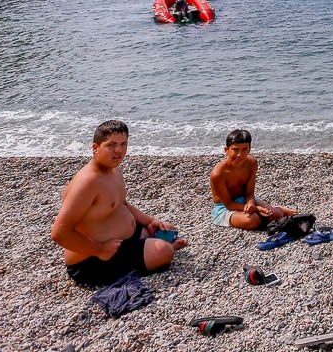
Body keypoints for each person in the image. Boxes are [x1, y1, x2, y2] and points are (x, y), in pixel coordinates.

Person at [51, 120, 188, 287]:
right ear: (96, 148)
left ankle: (152, 244)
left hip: (120, 240)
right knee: (164, 252)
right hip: (93, 260)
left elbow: (122, 205)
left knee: (168, 228)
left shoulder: (114, 170)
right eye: (111, 145)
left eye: (123, 144)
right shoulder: (87, 182)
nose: (119, 150)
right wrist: (100, 250)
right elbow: (59, 233)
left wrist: (149, 221)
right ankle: (162, 249)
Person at [209, 129, 295, 229]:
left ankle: (279, 210)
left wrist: (250, 203)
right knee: (252, 221)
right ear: (226, 150)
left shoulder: (251, 163)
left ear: (249, 149)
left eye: (244, 149)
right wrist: (256, 208)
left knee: (275, 215)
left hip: (245, 200)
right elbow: (229, 204)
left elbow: (249, 192)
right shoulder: (218, 174)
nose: (239, 154)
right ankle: (275, 212)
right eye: (235, 149)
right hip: (225, 208)